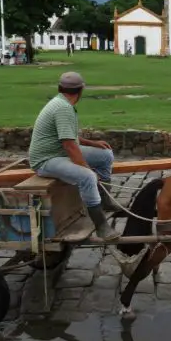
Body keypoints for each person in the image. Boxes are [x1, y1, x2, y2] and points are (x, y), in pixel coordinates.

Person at [28, 72, 120, 242]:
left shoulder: (62, 103)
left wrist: (93, 143)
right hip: (46, 160)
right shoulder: (62, 108)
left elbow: (70, 137)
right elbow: (69, 145)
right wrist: (86, 168)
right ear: (80, 91)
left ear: (59, 88)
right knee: (87, 177)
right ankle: (101, 226)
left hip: (59, 152)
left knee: (105, 156)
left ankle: (105, 200)